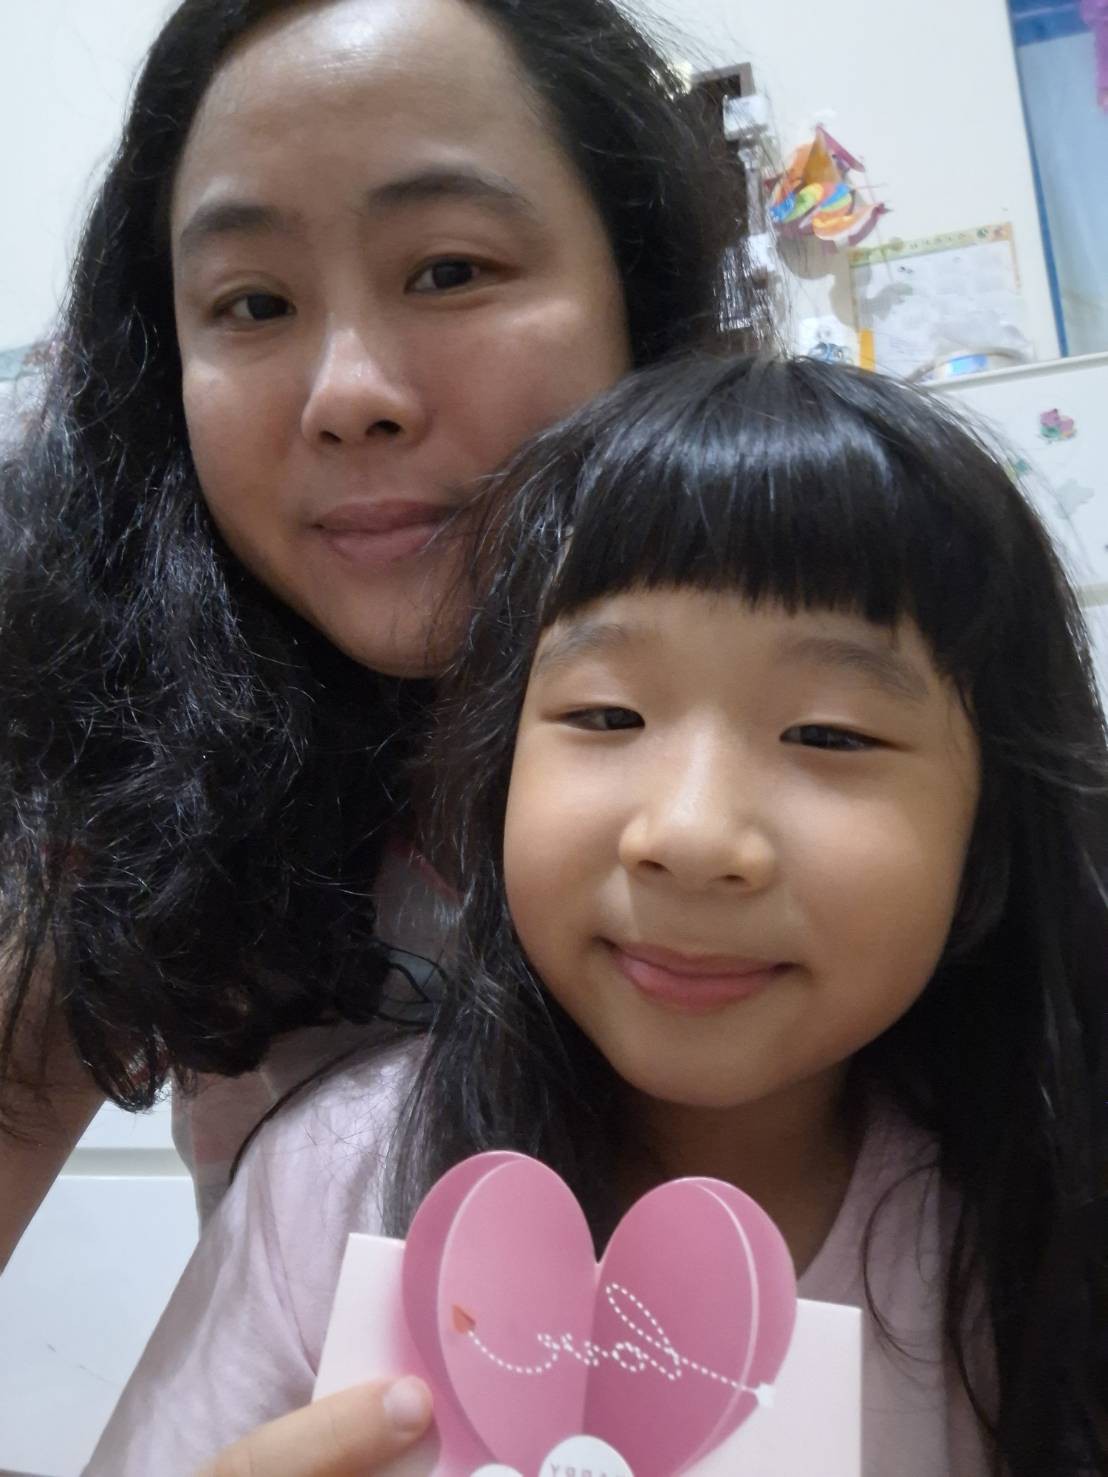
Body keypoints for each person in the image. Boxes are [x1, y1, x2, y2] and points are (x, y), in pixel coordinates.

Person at [85, 352, 1108, 1476]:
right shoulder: (335, 1179)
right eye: (607, 715)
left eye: (830, 734)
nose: (689, 833)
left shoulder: (1035, 1225)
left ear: (992, 827)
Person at [0, 0, 755, 1258]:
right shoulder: (143, 782)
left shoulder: (870, 707)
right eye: (252, 303)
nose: (349, 395)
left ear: (641, 292)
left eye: (449, 270)